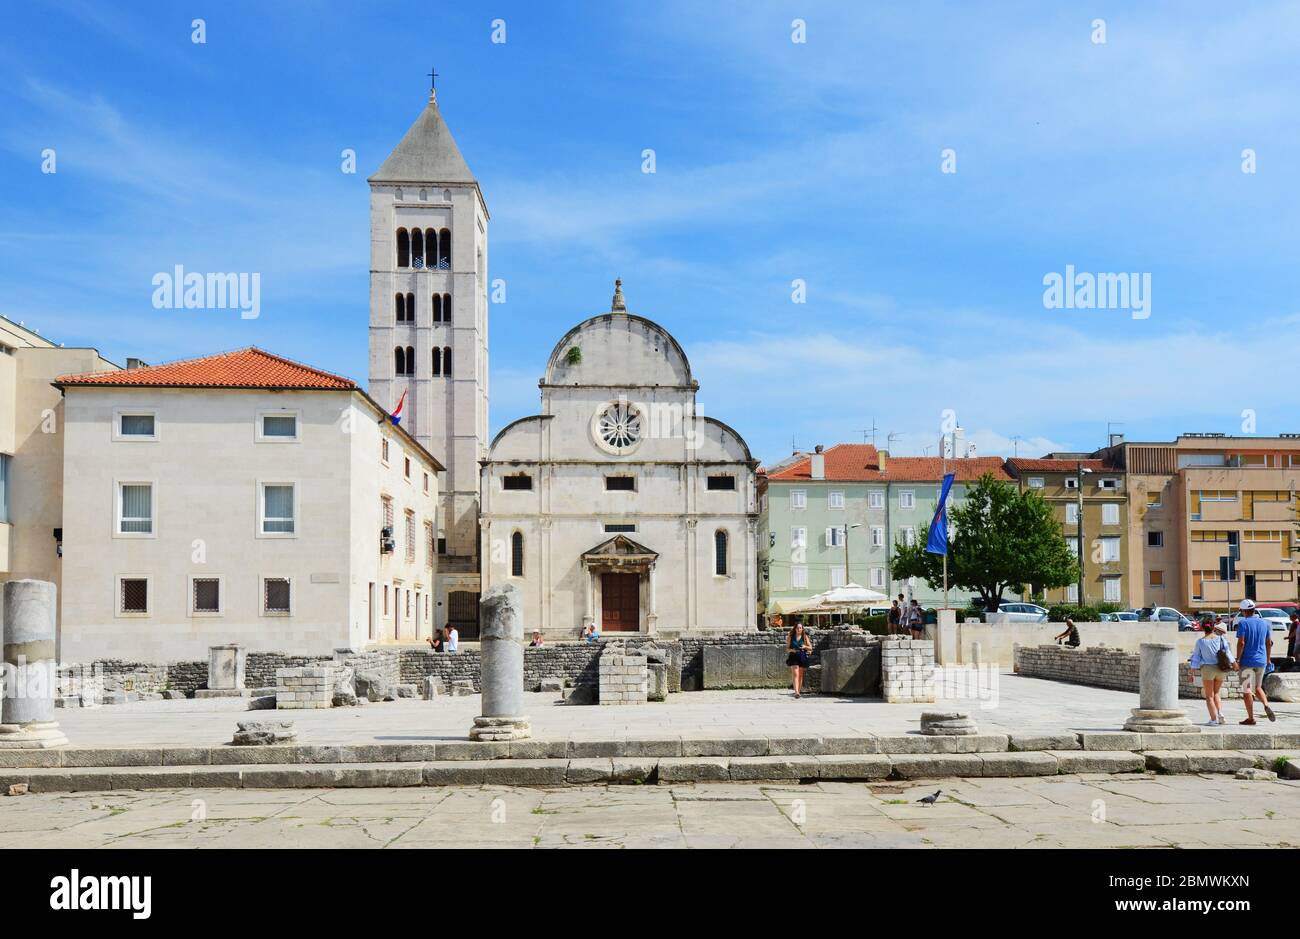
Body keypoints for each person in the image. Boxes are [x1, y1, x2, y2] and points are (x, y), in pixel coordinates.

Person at [1233, 599, 1275, 725]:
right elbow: (1268, 643)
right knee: (1257, 688)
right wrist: (1268, 659)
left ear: (1244, 611)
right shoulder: (1264, 624)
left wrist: (1238, 659)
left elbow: (1241, 642)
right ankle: (1266, 705)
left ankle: (1251, 718)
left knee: (1247, 689)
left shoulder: (1243, 624)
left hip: (1247, 661)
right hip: (1261, 661)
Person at [1189, 619, 1234, 725]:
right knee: (1217, 693)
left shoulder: (1200, 642)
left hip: (1208, 669)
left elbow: (1196, 658)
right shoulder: (1221, 639)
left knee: (1209, 696)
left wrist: (1192, 672)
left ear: (1202, 628)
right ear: (1214, 627)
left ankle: (1213, 719)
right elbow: (1228, 652)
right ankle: (1220, 713)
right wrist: (1234, 663)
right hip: (1221, 668)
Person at [786, 622, 811, 698]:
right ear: (795, 629)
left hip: (802, 655)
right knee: (795, 674)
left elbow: (810, 648)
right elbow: (787, 649)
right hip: (793, 656)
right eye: (797, 628)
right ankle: (796, 692)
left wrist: (804, 647)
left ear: (802, 629)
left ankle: (798, 691)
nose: (799, 629)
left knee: (800, 674)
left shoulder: (805, 637)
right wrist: (792, 650)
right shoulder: (790, 636)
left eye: (800, 628)